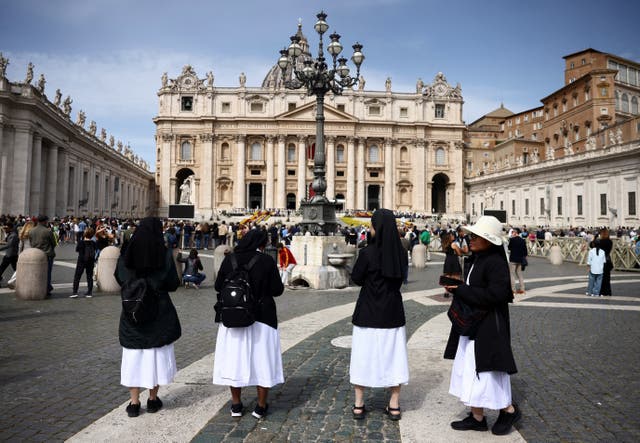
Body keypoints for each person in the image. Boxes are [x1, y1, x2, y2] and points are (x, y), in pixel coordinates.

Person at [442, 215, 520, 436]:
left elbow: (497, 294)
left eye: (476, 236)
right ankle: (477, 417)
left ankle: (508, 410)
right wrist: (458, 287)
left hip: (488, 325)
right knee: (470, 369)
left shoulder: (495, 263)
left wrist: (462, 290)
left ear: (489, 240)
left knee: (488, 373)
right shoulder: (476, 258)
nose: (471, 239)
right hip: (472, 323)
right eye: (471, 235)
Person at [213, 229, 284, 419]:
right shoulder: (267, 261)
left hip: (233, 317)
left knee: (234, 361)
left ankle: (236, 405)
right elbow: (277, 290)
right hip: (262, 317)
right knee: (263, 362)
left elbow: (218, 286)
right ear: (261, 244)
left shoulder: (230, 259)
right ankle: (260, 406)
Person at [115, 217, 181, 418]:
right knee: (155, 354)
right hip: (158, 309)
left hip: (133, 309)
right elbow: (172, 283)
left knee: (133, 356)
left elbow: (119, 277)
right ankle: (153, 399)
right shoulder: (164, 253)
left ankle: (134, 403)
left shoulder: (127, 254)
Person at [349, 209, 409, 421]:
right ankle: (393, 404)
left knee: (362, 356)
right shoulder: (401, 253)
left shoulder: (367, 253)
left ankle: (358, 403)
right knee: (394, 357)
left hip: (367, 312)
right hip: (392, 312)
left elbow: (356, 278)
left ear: (377, 227)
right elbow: (401, 278)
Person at [29, 215, 57, 297]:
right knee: (47, 273)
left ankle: (36, 287)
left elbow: (31, 243)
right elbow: (54, 243)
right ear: (44, 221)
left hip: (35, 254)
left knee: (36, 272)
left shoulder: (31, 231)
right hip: (47, 254)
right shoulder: (48, 231)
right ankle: (47, 288)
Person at [71, 227, 96, 298]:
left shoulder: (81, 242)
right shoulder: (93, 243)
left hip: (81, 261)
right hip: (90, 261)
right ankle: (89, 292)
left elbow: (77, 250)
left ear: (85, 234)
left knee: (77, 276)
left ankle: (75, 292)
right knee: (89, 277)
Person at [442, 231, 462, 297]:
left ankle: (446, 291)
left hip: (447, 260)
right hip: (454, 260)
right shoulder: (453, 244)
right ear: (450, 237)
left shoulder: (444, 244)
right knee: (456, 277)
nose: (453, 236)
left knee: (447, 277)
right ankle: (456, 291)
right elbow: (459, 254)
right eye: (452, 236)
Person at [508, 228, 528, 294]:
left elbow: (509, 248)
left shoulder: (512, 240)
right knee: (519, 274)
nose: (512, 233)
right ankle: (522, 289)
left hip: (513, 259)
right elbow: (525, 251)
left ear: (515, 232)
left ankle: (513, 290)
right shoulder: (522, 240)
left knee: (512, 274)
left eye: (513, 231)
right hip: (520, 259)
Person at [598, 228, 613, 296]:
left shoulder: (600, 242)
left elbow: (591, 245)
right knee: (607, 277)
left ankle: (601, 291)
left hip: (600, 261)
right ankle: (608, 292)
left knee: (601, 277)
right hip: (608, 260)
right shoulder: (610, 241)